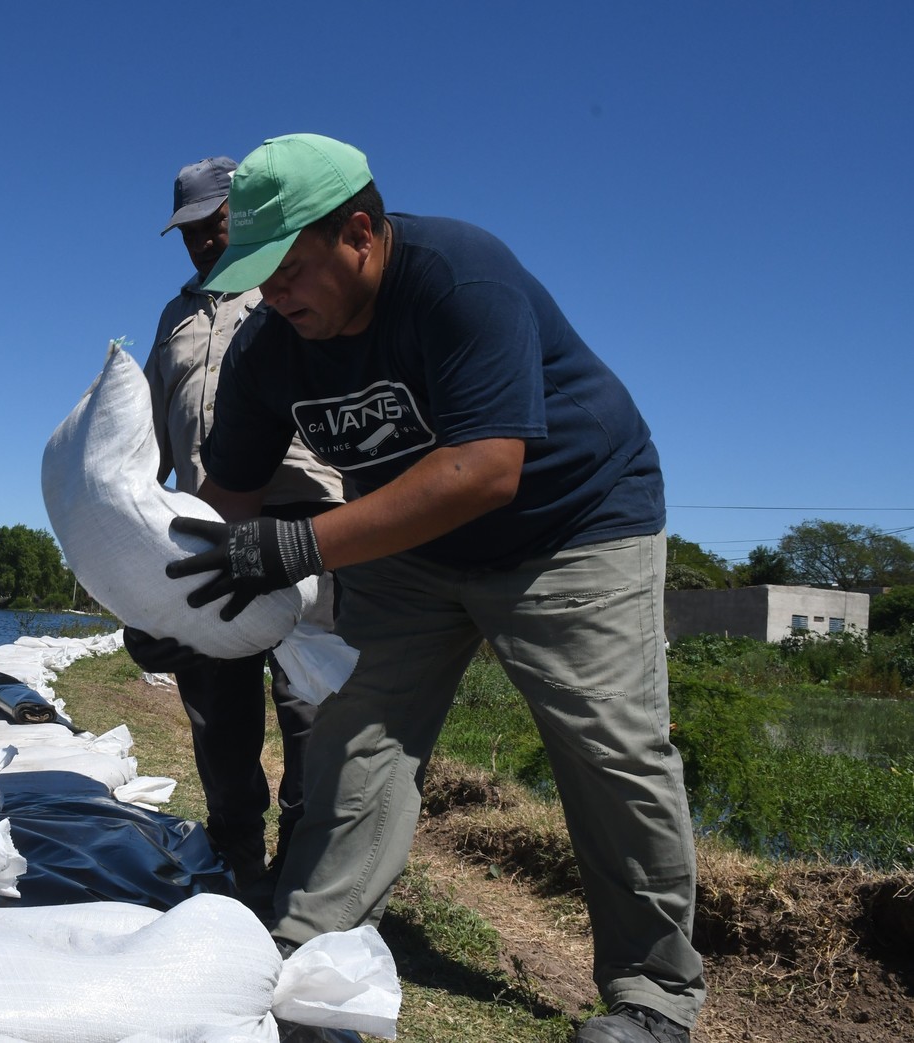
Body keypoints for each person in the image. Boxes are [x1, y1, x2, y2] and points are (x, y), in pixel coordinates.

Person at [159, 134, 704, 1043]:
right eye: (259, 278)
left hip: (570, 524)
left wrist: (300, 545)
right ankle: (311, 944)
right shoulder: (269, 346)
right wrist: (168, 604)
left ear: (359, 233)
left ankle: (652, 993)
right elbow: (227, 501)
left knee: (607, 745)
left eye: (288, 270)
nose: (274, 296)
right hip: (409, 546)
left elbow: (484, 469)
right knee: (357, 731)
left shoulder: (458, 276)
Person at [129, 156, 343, 898]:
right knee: (217, 700)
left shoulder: (284, 288)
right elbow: (149, 444)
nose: (201, 243)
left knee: (310, 694)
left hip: (302, 517)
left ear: (242, 216)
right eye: (188, 232)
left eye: (213, 225)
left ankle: (308, 859)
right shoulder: (176, 319)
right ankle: (236, 855)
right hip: (211, 525)